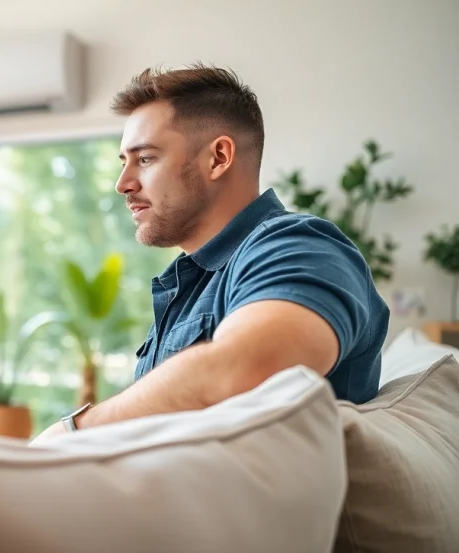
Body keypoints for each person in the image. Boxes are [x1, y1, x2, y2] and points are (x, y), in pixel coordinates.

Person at [36, 64, 389, 440]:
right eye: (124, 162)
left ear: (219, 157)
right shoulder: (194, 281)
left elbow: (246, 368)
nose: (122, 184)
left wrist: (74, 432)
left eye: (146, 158)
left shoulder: (299, 246)